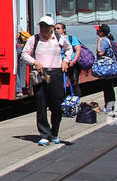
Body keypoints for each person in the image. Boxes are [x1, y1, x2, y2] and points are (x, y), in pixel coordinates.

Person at [22, 15, 74, 146]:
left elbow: (69, 49)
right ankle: (44, 134)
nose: (43, 28)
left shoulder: (59, 38)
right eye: (41, 26)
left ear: (52, 27)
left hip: (55, 72)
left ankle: (55, 132)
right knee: (41, 105)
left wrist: (66, 61)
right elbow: (24, 54)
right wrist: (34, 62)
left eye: (46, 26)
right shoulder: (34, 39)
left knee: (56, 105)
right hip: (41, 73)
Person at [94, 23, 117, 116]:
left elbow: (100, 52)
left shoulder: (103, 40)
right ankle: (110, 107)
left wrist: (99, 41)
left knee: (107, 88)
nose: (96, 31)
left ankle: (110, 108)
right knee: (109, 88)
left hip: (105, 68)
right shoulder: (108, 39)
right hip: (108, 67)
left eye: (98, 30)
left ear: (101, 32)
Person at [56, 22, 83, 92]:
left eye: (58, 28)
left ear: (64, 29)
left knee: (74, 82)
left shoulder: (70, 38)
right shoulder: (54, 39)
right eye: (55, 29)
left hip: (71, 63)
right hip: (60, 64)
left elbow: (78, 50)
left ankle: (76, 98)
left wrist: (74, 61)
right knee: (60, 84)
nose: (56, 30)